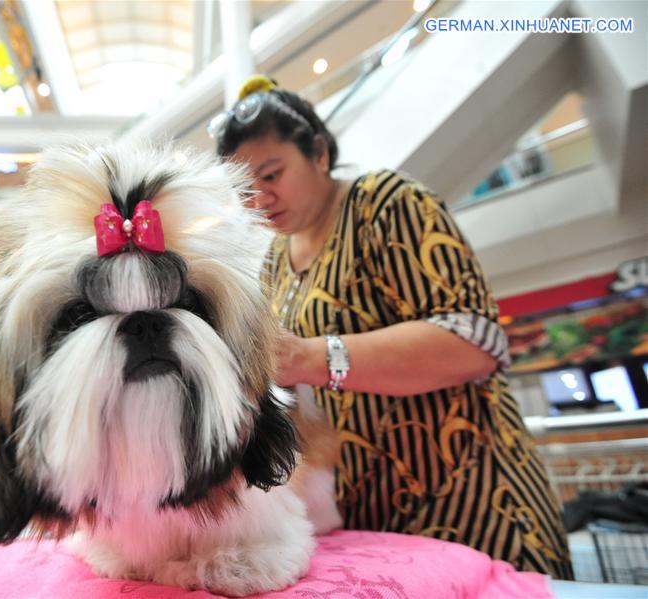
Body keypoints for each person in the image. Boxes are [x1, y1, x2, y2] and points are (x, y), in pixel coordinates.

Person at [211, 75, 573, 579]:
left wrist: (312, 358)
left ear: (318, 152)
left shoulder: (384, 203)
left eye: (271, 174)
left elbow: (473, 341)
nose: (260, 198)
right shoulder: (273, 261)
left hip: (473, 507)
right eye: (244, 189)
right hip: (373, 520)